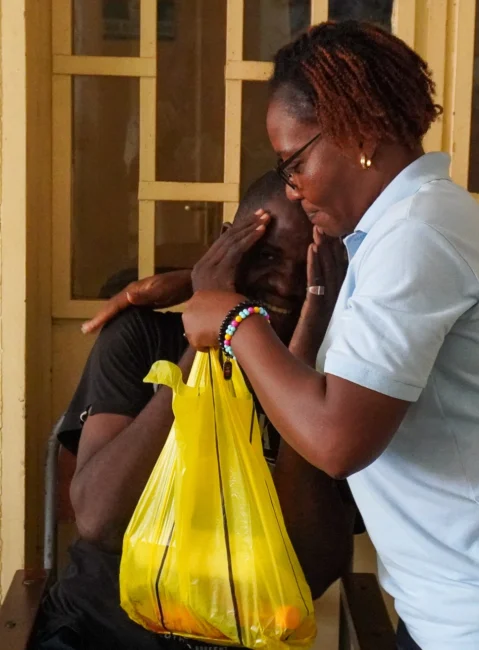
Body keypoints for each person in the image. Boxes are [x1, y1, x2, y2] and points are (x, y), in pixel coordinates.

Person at [174, 21, 479, 650]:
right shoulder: (400, 228)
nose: (293, 189)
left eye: (295, 163)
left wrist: (233, 322)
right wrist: (183, 285)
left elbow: (337, 441)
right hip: (454, 596)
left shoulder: (417, 235)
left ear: (359, 132)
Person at [34, 172, 355, 650]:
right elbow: (100, 520)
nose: (287, 283)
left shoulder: (340, 377)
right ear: (225, 248)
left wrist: (300, 360)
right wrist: (204, 341)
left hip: (243, 636)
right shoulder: (144, 338)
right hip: (101, 631)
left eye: (309, 267)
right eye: (267, 256)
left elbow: (312, 572)